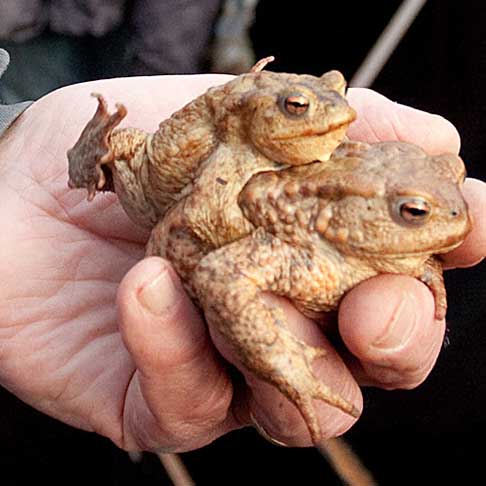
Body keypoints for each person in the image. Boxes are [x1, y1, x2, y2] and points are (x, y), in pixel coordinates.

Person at [1, 50, 485, 454]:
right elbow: (221, 272)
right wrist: (279, 356)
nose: (455, 215)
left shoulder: (340, 177)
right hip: (205, 237)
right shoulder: (273, 217)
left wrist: (416, 253)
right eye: (415, 212)